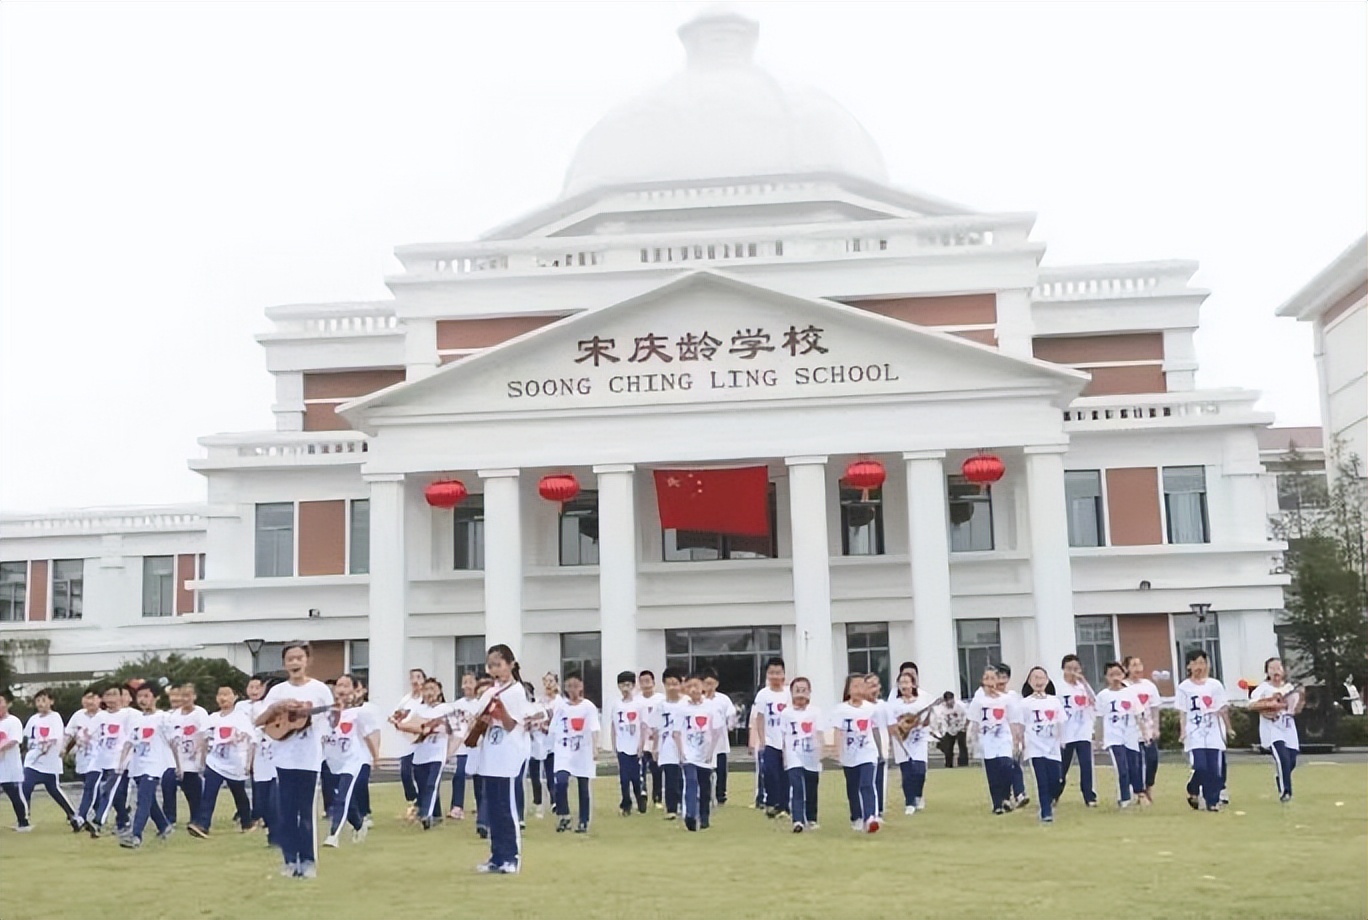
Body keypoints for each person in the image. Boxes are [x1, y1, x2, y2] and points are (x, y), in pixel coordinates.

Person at [255, 642, 335, 878]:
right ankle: (290, 860)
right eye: (290, 659)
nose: (295, 663)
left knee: (306, 811)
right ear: (284, 663)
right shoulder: (277, 691)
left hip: (309, 758)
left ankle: (308, 861)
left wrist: (307, 715)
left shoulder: (319, 690)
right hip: (283, 757)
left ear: (307, 661)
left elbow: (330, 719)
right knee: (286, 812)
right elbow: (260, 720)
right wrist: (278, 707)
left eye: (299, 658)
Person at [472, 644, 533, 874]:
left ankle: (512, 857)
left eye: (499, 664)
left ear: (510, 664)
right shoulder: (489, 692)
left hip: (509, 756)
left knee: (507, 809)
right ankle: (497, 856)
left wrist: (500, 713)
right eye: (491, 665)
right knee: (494, 810)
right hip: (491, 755)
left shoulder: (516, 692)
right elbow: (477, 720)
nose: (495, 670)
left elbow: (511, 724)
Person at [189, 684, 254, 836]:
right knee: (209, 793)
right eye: (220, 695)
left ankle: (247, 821)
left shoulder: (240, 717)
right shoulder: (213, 718)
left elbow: (250, 738)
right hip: (215, 762)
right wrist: (198, 754)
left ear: (235, 697)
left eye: (227, 694)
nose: (223, 698)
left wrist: (248, 761)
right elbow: (203, 736)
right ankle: (203, 825)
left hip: (234, 763)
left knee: (239, 794)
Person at [321, 674, 379, 844]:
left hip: (353, 761)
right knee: (342, 799)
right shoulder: (327, 713)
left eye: (346, 686)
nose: (341, 690)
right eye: (339, 685)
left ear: (355, 691)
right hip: (332, 762)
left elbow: (368, 736)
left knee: (342, 798)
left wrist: (375, 756)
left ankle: (333, 835)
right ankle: (359, 824)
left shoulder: (359, 713)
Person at [118, 683, 177, 848]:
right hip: (138, 764)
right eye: (140, 696)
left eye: (146, 696)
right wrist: (122, 763)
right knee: (149, 800)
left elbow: (173, 742)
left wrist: (178, 765)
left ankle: (136, 835)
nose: (142, 700)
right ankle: (164, 826)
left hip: (155, 764)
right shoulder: (136, 719)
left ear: (156, 697)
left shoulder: (164, 718)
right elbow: (129, 742)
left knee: (143, 799)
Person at [1176, 649, 1228, 812]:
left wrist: (1228, 726)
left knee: (1214, 769)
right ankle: (1192, 788)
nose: (1200, 667)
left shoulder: (1215, 685)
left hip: (1213, 731)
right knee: (1200, 766)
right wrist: (1183, 731)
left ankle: (1212, 801)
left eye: (1202, 663)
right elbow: (1183, 712)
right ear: (1189, 666)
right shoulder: (1184, 687)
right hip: (1194, 732)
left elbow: (1222, 707)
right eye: (1196, 663)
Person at [21, 688, 79, 829]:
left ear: (51, 701)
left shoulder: (55, 717)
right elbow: (27, 736)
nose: (41, 704)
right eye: (38, 701)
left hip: (49, 762)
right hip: (32, 762)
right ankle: (24, 819)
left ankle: (73, 815)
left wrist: (45, 749)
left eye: (44, 700)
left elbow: (54, 738)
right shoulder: (33, 719)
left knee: (54, 790)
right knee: (25, 787)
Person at [550, 672, 598, 834]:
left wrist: (595, 748)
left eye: (575, 686)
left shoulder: (588, 707)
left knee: (583, 786)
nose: (572, 690)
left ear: (581, 687)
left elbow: (593, 728)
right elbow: (553, 728)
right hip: (564, 749)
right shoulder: (561, 706)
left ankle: (584, 820)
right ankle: (564, 815)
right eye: (569, 686)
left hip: (582, 749)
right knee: (561, 781)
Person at [831, 674, 881, 833]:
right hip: (849, 754)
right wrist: (838, 752)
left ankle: (870, 817)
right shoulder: (841, 710)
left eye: (862, 686)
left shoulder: (871, 709)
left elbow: (875, 729)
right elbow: (838, 732)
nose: (859, 690)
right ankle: (856, 816)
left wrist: (880, 749)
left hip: (867, 752)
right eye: (855, 686)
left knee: (867, 784)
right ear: (848, 689)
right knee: (853, 786)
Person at [1249, 657, 1303, 802]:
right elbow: (1252, 705)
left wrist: (1296, 703)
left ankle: (1281, 777)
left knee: (1291, 761)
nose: (1276, 671)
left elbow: (1297, 706)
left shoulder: (1289, 688)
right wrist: (1269, 705)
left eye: (1278, 668)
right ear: (1267, 671)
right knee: (1283, 759)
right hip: (1272, 730)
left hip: (1288, 728)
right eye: (1272, 668)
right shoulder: (1263, 688)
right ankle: (1286, 792)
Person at [88, 683, 138, 836]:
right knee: (117, 794)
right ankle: (123, 820)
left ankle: (98, 822)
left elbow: (131, 738)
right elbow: (89, 732)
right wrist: (83, 738)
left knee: (109, 792)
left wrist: (123, 760)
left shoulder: (129, 715)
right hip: (104, 760)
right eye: (107, 695)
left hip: (121, 761)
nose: (111, 699)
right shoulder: (101, 716)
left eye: (114, 694)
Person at [1096, 661, 1147, 808]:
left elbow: (1138, 715)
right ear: (1106, 677)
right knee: (1121, 767)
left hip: (1130, 735)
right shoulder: (1103, 696)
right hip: (1113, 737)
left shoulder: (1130, 693)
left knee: (1133, 766)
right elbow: (1099, 718)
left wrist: (1144, 732)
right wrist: (1098, 739)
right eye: (1111, 675)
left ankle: (1137, 792)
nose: (1115, 678)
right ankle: (1124, 797)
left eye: (1118, 674)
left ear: (1124, 674)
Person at [677, 672, 723, 832]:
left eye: (696, 685)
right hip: (688, 753)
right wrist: (681, 751)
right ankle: (690, 814)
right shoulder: (682, 708)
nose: (693, 689)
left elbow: (717, 731)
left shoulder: (710, 707)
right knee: (690, 781)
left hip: (705, 752)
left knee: (705, 785)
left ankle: (704, 817)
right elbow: (676, 732)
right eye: (689, 686)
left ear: (702, 687)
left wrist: (711, 751)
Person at [969, 667, 1017, 815]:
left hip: (1004, 738)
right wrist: (972, 741)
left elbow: (1013, 720)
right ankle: (997, 803)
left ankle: (1005, 796)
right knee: (993, 771)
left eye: (992, 678)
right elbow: (974, 722)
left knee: (1006, 766)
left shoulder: (1006, 699)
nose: (990, 682)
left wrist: (1017, 738)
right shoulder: (979, 701)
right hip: (987, 739)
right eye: (986, 678)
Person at [885, 670, 934, 816]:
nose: (904, 686)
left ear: (913, 685)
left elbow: (927, 721)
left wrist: (920, 720)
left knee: (920, 771)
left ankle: (918, 795)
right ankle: (909, 802)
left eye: (907, 682)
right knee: (907, 773)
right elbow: (891, 722)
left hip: (918, 739)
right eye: (901, 683)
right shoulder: (894, 704)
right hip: (901, 741)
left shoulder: (922, 702)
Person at [1019, 666, 1064, 823]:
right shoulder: (1024, 704)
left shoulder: (1054, 701)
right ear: (1029, 682)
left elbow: (1061, 723)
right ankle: (1046, 811)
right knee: (1041, 780)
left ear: (1047, 680)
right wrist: (1020, 743)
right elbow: (1020, 725)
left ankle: (1051, 799)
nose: (1038, 682)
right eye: (1035, 678)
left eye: (1041, 678)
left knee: (1056, 780)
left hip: (1052, 747)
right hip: (1035, 747)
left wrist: (1062, 740)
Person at [237, 676, 278, 843]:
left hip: (276, 758)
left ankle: (276, 830)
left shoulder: (276, 706)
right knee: (260, 797)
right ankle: (267, 826)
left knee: (274, 797)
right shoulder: (248, 707)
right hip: (260, 756)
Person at [780, 676, 823, 832]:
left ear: (810, 692)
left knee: (811, 786)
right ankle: (797, 819)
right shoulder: (786, 713)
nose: (800, 694)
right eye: (797, 690)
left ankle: (811, 818)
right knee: (797, 786)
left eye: (804, 690)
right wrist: (785, 756)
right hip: (793, 753)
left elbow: (819, 734)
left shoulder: (815, 712)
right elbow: (784, 736)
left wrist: (820, 752)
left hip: (811, 754)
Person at [749, 657, 791, 817]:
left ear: (783, 674)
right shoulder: (763, 695)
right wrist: (762, 740)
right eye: (771, 673)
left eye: (778, 673)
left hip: (787, 742)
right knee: (770, 773)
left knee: (785, 774)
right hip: (770, 741)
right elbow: (759, 718)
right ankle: (772, 802)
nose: (775, 676)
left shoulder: (789, 693)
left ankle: (784, 805)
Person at [163, 682, 208, 827]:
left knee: (193, 793)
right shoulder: (173, 716)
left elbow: (204, 735)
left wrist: (200, 756)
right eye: (182, 695)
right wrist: (176, 762)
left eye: (187, 695)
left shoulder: (200, 713)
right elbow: (171, 739)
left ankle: (196, 819)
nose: (184, 699)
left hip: (193, 760)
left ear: (194, 696)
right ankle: (169, 819)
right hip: (176, 760)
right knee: (168, 787)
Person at [1056, 655, 1098, 807]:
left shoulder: (1082, 687)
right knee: (1062, 766)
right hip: (1065, 733)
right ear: (1063, 670)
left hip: (1083, 732)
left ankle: (1089, 796)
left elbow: (1094, 701)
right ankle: (1055, 793)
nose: (1072, 672)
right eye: (1069, 669)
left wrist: (1084, 682)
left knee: (1086, 764)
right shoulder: (1058, 687)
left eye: (1076, 669)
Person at [389, 668, 427, 822]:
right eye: (412, 677)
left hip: (421, 742)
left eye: (418, 677)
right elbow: (395, 715)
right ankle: (414, 800)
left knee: (421, 775)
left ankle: (422, 806)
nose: (415, 681)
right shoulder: (406, 700)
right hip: (406, 743)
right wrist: (395, 721)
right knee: (405, 773)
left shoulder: (425, 700)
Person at [650, 668, 687, 821]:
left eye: (675, 684)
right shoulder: (661, 706)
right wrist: (655, 747)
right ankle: (671, 807)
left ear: (681, 684)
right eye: (669, 684)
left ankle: (684, 804)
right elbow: (656, 728)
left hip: (685, 743)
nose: (672, 687)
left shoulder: (686, 703)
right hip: (667, 744)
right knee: (670, 776)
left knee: (684, 776)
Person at [65, 688, 104, 831]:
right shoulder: (78, 716)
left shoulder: (104, 716)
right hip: (82, 758)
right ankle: (101, 817)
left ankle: (80, 817)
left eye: (93, 698)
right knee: (94, 790)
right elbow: (69, 733)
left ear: (100, 700)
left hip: (99, 759)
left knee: (90, 787)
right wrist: (64, 749)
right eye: (87, 698)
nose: (90, 701)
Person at [447, 672, 484, 821]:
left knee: (479, 777)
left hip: (477, 745)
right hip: (462, 746)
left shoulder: (481, 703)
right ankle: (457, 806)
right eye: (465, 682)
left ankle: (481, 805)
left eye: (470, 682)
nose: (467, 685)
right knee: (459, 774)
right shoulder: (457, 705)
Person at [1123, 656, 1161, 801]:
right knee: (1135, 763)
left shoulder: (1149, 686)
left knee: (1152, 759)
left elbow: (1155, 708)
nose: (1138, 668)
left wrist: (1156, 728)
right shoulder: (1123, 686)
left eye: (1139, 664)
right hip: (1131, 730)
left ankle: (1149, 785)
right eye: (1134, 665)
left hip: (1148, 729)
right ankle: (1139, 792)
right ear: (1126, 668)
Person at [610, 670, 648, 817]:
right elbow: (613, 726)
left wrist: (641, 744)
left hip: (635, 745)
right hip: (622, 746)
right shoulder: (616, 704)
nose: (625, 688)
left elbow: (643, 726)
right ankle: (626, 803)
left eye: (628, 685)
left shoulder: (639, 704)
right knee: (624, 778)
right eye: (622, 685)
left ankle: (640, 798)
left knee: (636, 777)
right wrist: (614, 745)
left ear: (633, 685)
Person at [701, 669, 736, 807]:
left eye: (712, 683)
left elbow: (731, 713)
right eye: (706, 683)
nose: (709, 686)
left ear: (717, 684)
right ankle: (706, 795)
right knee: (705, 771)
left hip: (720, 742)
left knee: (721, 770)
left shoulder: (723, 699)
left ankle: (721, 795)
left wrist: (730, 725)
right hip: (704, 742)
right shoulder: (700, 700)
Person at [996, 664, 1029, 808]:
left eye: (1004, 677)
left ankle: (1019, 793)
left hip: (1011, 735)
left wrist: (1019, 738)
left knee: (1015, 765)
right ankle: (1005, 798)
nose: (1002, 680)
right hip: (997, 738)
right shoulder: (990, 698)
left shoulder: (1013, 697)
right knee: (1003, 769)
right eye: (999, 677)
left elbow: (1017, 718)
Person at [526, 674, 555, 820]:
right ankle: (537, 803)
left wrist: (543, 727)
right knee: (535, 777)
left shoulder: (539, 706)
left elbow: (548, 722)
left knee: (550, 775)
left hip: (547, 745)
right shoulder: (523, 709)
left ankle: (554, 801)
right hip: (531, 748)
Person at [0, 690, 28, 832]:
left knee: (15, 794)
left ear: (8, 704)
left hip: (10, 767)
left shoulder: (13, 721)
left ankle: (23, 822)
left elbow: (14, 740)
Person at [637, 670, 664, 808]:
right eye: (642, 681)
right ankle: (642, 794)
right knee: (640, 769)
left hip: (657, 742)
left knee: (657, 771)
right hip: (642, 741)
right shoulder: (637, 700)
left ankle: (657, 797)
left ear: (653, 682)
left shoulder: (661, 699)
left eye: (648, 681)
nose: (645, 684)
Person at [932, 692, 968, 768]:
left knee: (962, 745)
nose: (950, 703)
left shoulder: (960, 706)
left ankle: (963, 764)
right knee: (947, 747)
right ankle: (948, 764)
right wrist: (941, 731)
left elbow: (967, 716)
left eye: (951, 700)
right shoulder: (941, 708)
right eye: (948, 701)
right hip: (949, 729)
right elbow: (940, 720)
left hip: (961, 727)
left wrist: (965, 726)